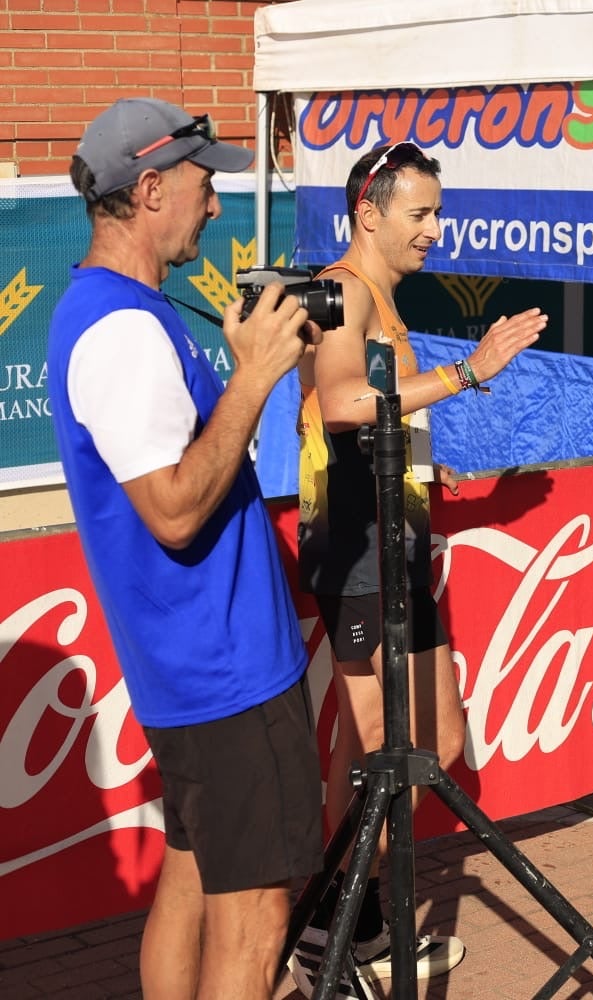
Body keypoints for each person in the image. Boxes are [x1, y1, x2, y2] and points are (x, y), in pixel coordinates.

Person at [47, 97, 323, 1000]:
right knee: (256, 915)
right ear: (152, 187)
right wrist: (252, 379)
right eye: (206, 187)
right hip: (221, 673)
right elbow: (172, 510)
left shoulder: (113, 310)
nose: (215, 206)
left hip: (198, 669)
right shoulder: (121, 328)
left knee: (195, 878)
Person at [290, 142, 547, 993]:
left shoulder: (381, 296)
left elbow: (384, 414)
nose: (436, 230)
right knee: (383, 750)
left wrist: (425, 457)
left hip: (395, 540)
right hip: (357, 544)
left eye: (438, 212)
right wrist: (469, 371)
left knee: (427, 744)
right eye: (421, 214)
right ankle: (334, 929)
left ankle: (346, 922)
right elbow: (337, 402)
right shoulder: (343, 291)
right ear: (370, 212)